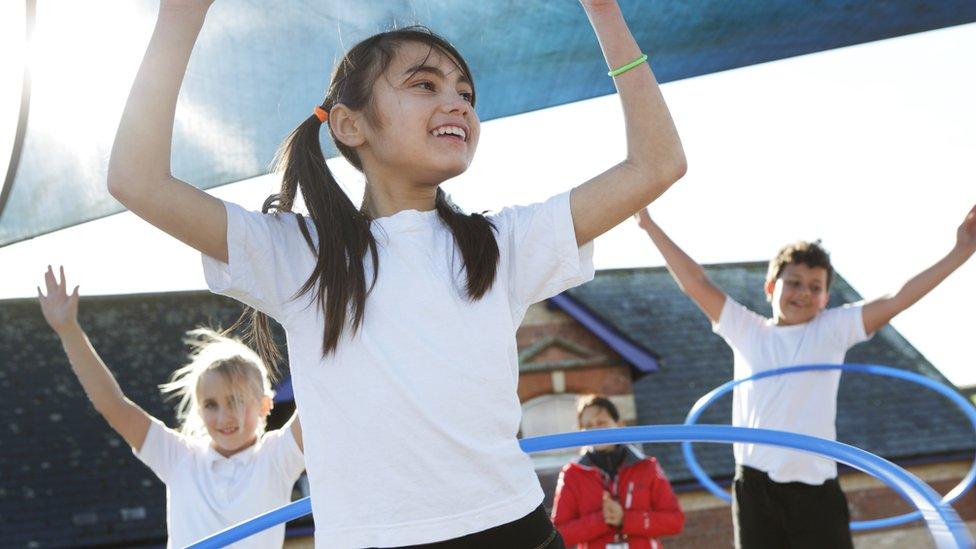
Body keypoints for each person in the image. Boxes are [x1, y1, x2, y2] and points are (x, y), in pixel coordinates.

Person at [106, 0, 686, 545]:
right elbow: (137, 180)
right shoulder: (299, 255)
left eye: (466, 92)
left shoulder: (502, 244)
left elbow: (658, 164)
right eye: (425, 85)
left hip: (511, 529)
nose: (459, 103)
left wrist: (605, 11)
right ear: (350, 125)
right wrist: (178, 19)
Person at [634, 205, 976, 548]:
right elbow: (696, 282)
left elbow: (897, 298)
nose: (803, 293)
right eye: (794, 283)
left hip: (817, 489)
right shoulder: (747, 329)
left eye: (815, 287)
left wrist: (961, 251)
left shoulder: (832, 330)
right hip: (757, 487)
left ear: (826, 298)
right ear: (770, 287)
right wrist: (648, 225)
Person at [37, 266, 305, 548]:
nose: (224, 416)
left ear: (265, 404)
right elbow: (114, 406)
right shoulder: (179, 457)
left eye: (235, 401)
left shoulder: (277, 456)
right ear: (199, 410)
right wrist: (68, 330)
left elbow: (316, 401)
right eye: (211, 404)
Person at [552, 395, 684, 549]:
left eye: (601, 423)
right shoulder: (572, 474)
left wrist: (625, 519)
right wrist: (601, 520)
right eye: (587, 425)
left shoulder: (647, 467)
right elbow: (559, 534)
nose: (594, 430)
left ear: (619, 425)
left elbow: (675, 521)